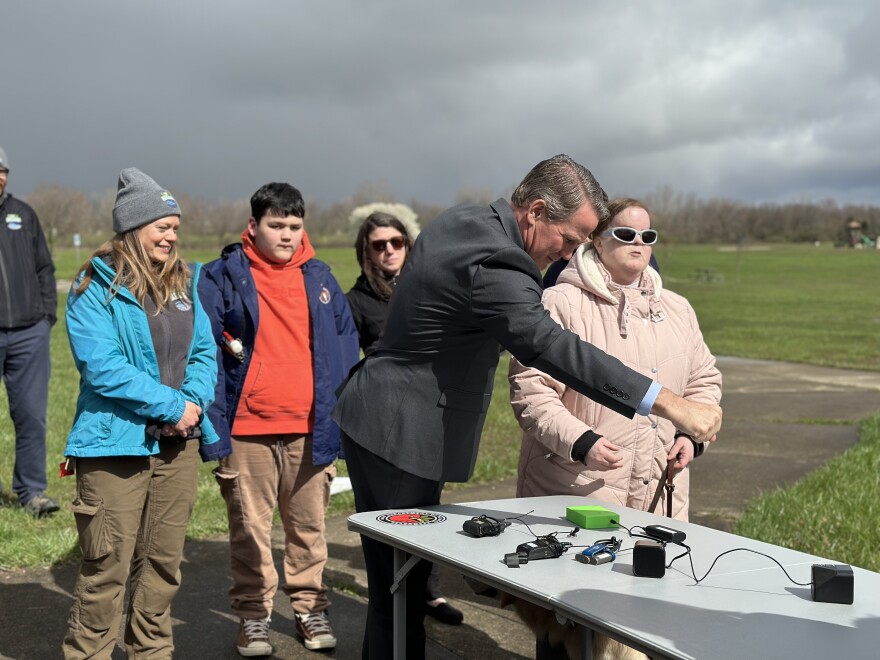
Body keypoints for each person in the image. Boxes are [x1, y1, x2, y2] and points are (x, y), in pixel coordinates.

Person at [332, 154, 723, 659]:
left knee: (400, 585)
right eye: (572, 238)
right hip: (400, 429)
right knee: (398, 588)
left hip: (385, 418)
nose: (571, 252)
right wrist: (666, 403)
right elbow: (549, 346)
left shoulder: (465, 220)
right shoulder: (500, 259)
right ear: (535, 211)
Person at [508, 198, 722, 658]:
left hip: (656, 493)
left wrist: (689, 437)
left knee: (642, 621)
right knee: (566, 623)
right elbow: (530, 389)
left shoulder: (678, 309)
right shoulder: (558, 302)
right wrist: (581, 441)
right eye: (625, 234)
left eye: (649, 236)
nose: (638, 243)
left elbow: (703, 380)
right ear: (597, 240)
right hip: (579, 487)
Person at [62, 168, 223, 659]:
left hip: (178, 449)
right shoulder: (94, 283)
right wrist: (174, 406)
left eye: (176, 226)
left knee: (162, 567)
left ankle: (152, 653)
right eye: (162, 225)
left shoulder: (186, 280)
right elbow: (104, 368)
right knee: (106, 571)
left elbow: (204, 352)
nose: (172, 234)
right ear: (134, 226)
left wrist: (192, 408)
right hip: (115, 447)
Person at [198, 182, 359, 656]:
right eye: (276, 225)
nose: (286, 235)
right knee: (250, 531)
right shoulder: (222, 275)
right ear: (254, 225)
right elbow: (203, 351)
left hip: (311, 428)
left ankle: (310, 609)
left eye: (294, 226)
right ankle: (253, 618)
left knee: (308, 529)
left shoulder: (322, 278)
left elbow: (347, 348)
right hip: (248, 429)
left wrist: (342, 414)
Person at [346, 212, 464, 626]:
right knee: (391, 518)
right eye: (379, 244)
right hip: (386, 421)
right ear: (367, 251)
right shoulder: (357, 300)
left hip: (433, 414)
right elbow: (350, 364)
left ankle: (427, 592)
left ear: (409, 245)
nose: (389, 250)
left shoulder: (428, 286)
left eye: (396, 241)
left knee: (429, 508)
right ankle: (393, 602)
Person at [0, 146, 59, 517]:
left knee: (32, 416)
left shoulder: (23, 214)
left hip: (28, 335)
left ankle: (32, 492)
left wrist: (46, 317)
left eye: (2, 169)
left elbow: (45, 268)